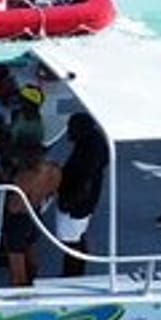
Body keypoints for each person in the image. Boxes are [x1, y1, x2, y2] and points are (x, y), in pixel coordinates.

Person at [1, 142, 62, 288]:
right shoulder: (55, 170)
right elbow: (53, 192)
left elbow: (14, 207)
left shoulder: (26, 176)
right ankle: (33, 283)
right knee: (30, 253)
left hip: (19, 220)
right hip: (36, 213)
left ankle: (20, 296)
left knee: (17, 264)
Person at [52, 112, 106, 277]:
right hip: (83, 203)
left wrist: (67, 203)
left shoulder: (88, 154)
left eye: (71, 128)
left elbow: (84, 183)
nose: (68, 131)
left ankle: (72, 274)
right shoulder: (91, 144)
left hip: (76, 205)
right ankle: (77, 269)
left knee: (71, 242)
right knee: (78, 236)